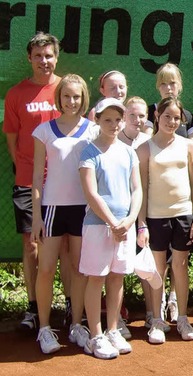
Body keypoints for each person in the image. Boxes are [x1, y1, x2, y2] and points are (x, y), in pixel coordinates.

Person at [31, 74, 95, 354]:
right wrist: (35, 216)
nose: (72, 101)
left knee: (80, 269)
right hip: (52, 209)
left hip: (83, 209)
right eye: (67, 96)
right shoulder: (43, 130)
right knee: (46, 269)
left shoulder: (93, 130)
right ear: (59, 98)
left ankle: (77, 325)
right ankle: (45, 329)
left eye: (77, 97)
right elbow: (36, 179)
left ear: (84, 99)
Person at [2, 32, 62, 331]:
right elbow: (11, 139)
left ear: (57, 56)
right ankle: (34, 307)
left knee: (66, 247)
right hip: (29, 182)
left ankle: (69, 306)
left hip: (64, 185)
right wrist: (26, 168)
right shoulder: (16, 94)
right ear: (29, 58)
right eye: (38, 56)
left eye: (49, 55)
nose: (44, 61)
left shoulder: (67, 89)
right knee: (32, 246)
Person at [78, 97, 142, 359]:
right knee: (97, 279)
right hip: (98, 226)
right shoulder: (88, 152)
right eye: (108, 120)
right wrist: (113, 223)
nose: (114, 124)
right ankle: (95, 336)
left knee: (117, 278)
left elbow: (137, 190)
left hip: (124, 228)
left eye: (118, 119)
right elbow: (91, 193)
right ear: (97, 120)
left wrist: (128, 220)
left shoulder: (129, 152)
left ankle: (113, 330)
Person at [137, 97, 193, 344]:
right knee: (157, 270)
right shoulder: (144, 148)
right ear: (157, 117)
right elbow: (141, 189)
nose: (172, 122)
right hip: (155, 217)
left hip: (183, 215)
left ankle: (183, 319)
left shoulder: (189, 146)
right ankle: (156, 320)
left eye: (177, 118)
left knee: (180, 266)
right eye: (167, 117)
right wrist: (141, 223)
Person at [118, 96, 152, 336]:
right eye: (133, 115)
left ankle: (152, 314)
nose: (137, 120)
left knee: (148, 266)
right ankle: (117, 317)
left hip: (144, 216)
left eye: (142, 115)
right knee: (116, 270)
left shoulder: (149, 143)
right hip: (118, 216)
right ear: (124, 117)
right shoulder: (112, 141)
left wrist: (142, 223)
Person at [143, 62, 193, 142]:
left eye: (172, 83)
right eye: (163, 83)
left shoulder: (188, 116)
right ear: (158, 87)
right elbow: (147, 142)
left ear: (179, 85)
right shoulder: (149, 112)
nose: (168, 88)